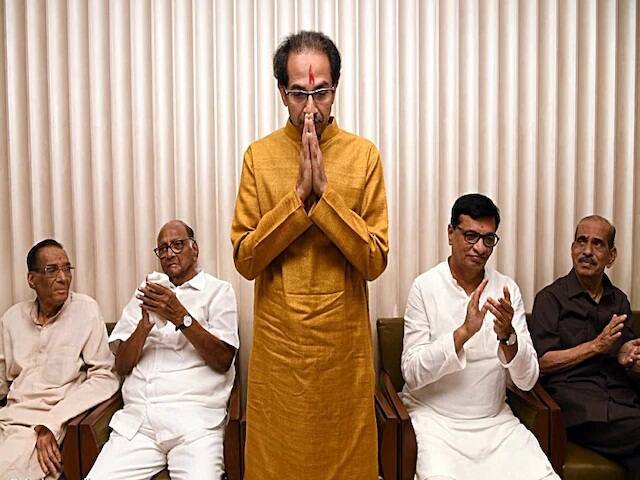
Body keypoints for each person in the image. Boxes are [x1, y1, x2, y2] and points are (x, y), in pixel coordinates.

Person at [231, 30, 388, 480]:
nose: (311, 107)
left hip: (343, 349)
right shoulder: (259, 157)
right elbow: (245, 260)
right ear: (282, 92)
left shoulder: (363, 156)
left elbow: (375, 261)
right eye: (299, 93)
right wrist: (298, 199)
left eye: (321, 93)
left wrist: (325, 198)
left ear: (335, 88)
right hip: (281, 347)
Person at [401, 193, 558, 480]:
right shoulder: (425, 287)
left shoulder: (506, 289)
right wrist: (464, 332)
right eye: (471, 236)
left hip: (495, 423)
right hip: (436, 421)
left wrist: (508, 336)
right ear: (451, 233)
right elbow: (412, 373)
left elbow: (527, 380)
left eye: (488, 239)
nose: (480, 247)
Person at [88, 220, 239, 480]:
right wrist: (145, 323)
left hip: (195, 424)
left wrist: (180, 316)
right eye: (163, 248)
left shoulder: (218, 291)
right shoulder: (145, 294)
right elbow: (122, 365)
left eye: (177, 245)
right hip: (138, 425)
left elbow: (223, 359)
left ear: (194, 249)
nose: (169, 253)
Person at [529, 215, 640, 479]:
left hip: (623, 401)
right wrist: (596, 346)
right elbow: (542, 363)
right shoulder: (550, 299)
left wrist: (630, 360)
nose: (587, 251)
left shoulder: (618, 300)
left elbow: (628, 356)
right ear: (572, 249)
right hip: (578, 407)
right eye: (581, 241)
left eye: (597, 244)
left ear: (611, 256)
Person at [0, 239, 119, 480]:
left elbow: (105, 377)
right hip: (10, 417)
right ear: (31, 279)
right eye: (52, 270)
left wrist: (53, 423)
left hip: (48, 421)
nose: (63, 278)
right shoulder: (12, 318)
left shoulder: (85, 310)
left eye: (67, 268)